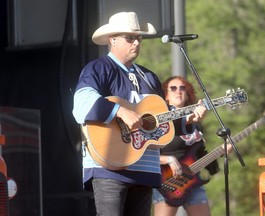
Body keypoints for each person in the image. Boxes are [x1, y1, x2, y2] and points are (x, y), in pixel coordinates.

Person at [72, 12, 207, 216]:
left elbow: (161, 120)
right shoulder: (98, 69)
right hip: (110, 167)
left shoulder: (149, 77)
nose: (136, 42)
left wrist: (187, 119)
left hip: (144, 169)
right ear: (112, 40)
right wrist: (120, 111)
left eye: (138, 38)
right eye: (130, 38)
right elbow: (81, 104)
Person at [153, 76, 219, 216]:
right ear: (166, 96)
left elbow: (199, 154)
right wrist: (168, 159)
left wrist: (223, 150)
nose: (179, 91)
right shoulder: (161, 122)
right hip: (166, 182)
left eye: (183, 88)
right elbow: (145, 154)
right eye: (173, 88)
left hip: (193, 182)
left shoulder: (197, 121)